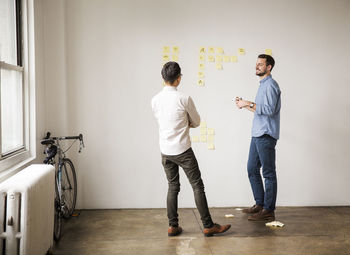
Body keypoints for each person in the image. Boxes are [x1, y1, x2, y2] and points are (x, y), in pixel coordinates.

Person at [152, 61, 231, 237]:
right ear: (178, 79)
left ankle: (173, 226)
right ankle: (208, 225)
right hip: (183, 150)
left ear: (163, 78)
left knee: (172, 186)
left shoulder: (155, 100)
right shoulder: (183, 98)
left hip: (165, 150)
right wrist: (185, 122)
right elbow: (196, 122)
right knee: (197, 186)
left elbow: (163, 122)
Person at [235, 54, 281, 221]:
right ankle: (260, 204)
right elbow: (260, 110)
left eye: (260, 64)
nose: (257, 66)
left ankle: (268, 210)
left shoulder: (270, 86)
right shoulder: (262, 85)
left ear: (269, 67)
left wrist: (248, 103)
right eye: (256, 64)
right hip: (257, 134)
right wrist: (244, 105)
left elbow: (268, 110)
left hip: (266, 135)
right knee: (252, 169)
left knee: (268, 173)